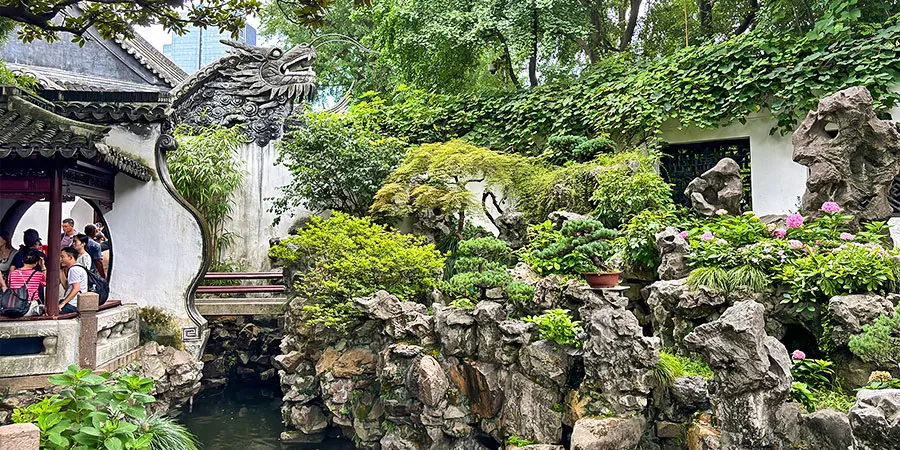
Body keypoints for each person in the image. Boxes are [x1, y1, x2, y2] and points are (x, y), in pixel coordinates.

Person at [59, 247, 85, 314]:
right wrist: (61, 270)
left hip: (73, 303)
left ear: (70, 258)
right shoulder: (77, 267)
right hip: (73, 302)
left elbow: (76, 288)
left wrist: (63, 303)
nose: (60, 259)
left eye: (62, 257)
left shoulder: (74, 270)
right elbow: (66, 287)